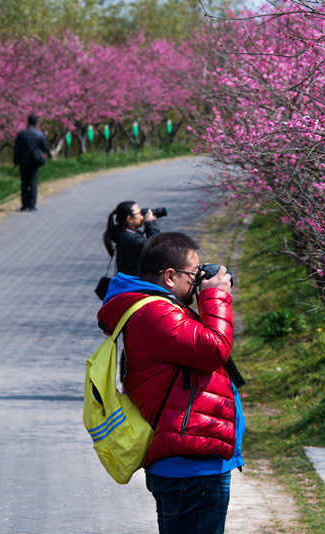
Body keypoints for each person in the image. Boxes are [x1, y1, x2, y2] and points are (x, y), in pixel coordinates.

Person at [96, 232, 244, 534]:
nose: (199, 278)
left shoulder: (161, 309)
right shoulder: (156, 313)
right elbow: (215, 349)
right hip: (190, 468)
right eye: (194, 273)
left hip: (194, 459)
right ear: (170, 276)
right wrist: (215, 295)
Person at [102, 200, 160, 277]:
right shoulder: (129, 238)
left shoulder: (124, 233)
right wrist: (150, 223)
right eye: (139, 213)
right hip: (134, 283)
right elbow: (157, 245)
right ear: (129, 219)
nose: (142, 216)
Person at [13, 115, 49, 211]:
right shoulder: (40, 134)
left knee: (24, 183)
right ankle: (32, 205)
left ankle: (25, 205)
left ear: (27, 122)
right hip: (35, 161)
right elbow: (45, 148)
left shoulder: (21, 134)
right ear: (36, 123)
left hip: (24, 161)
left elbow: (17, 149)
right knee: (33, 182)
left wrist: (16, 162)